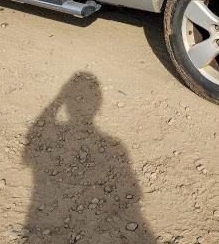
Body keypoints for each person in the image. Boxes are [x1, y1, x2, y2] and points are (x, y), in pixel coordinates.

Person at [22, 72, 154, 243]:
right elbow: (134, 192)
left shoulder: (112, 145)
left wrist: (58, 100)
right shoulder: (115, 146)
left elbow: (32, 143)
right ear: (99, 106)